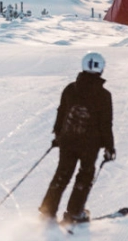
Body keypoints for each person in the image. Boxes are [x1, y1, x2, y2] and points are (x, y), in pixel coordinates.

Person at [40, 52, 116, 224]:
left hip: (68, 140)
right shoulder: (104, 95)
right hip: (90, 144)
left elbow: (62, 113)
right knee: (85, 175)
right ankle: (74, 212)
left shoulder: (70, 88)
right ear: (101, 70)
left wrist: (58, 135)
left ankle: (47, 211)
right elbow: (106, 124)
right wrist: (109, 147)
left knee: (62, 173)